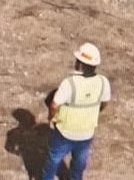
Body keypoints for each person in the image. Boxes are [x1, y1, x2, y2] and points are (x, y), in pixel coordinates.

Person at [42, 43, 111, 180]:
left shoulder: (69, 83)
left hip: (64, 132)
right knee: (79, 165)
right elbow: (104, 103)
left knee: (54, 160)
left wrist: (51, 118)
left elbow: (54, 105)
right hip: (86, 133)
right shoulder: (103, 82)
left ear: (79, 62)